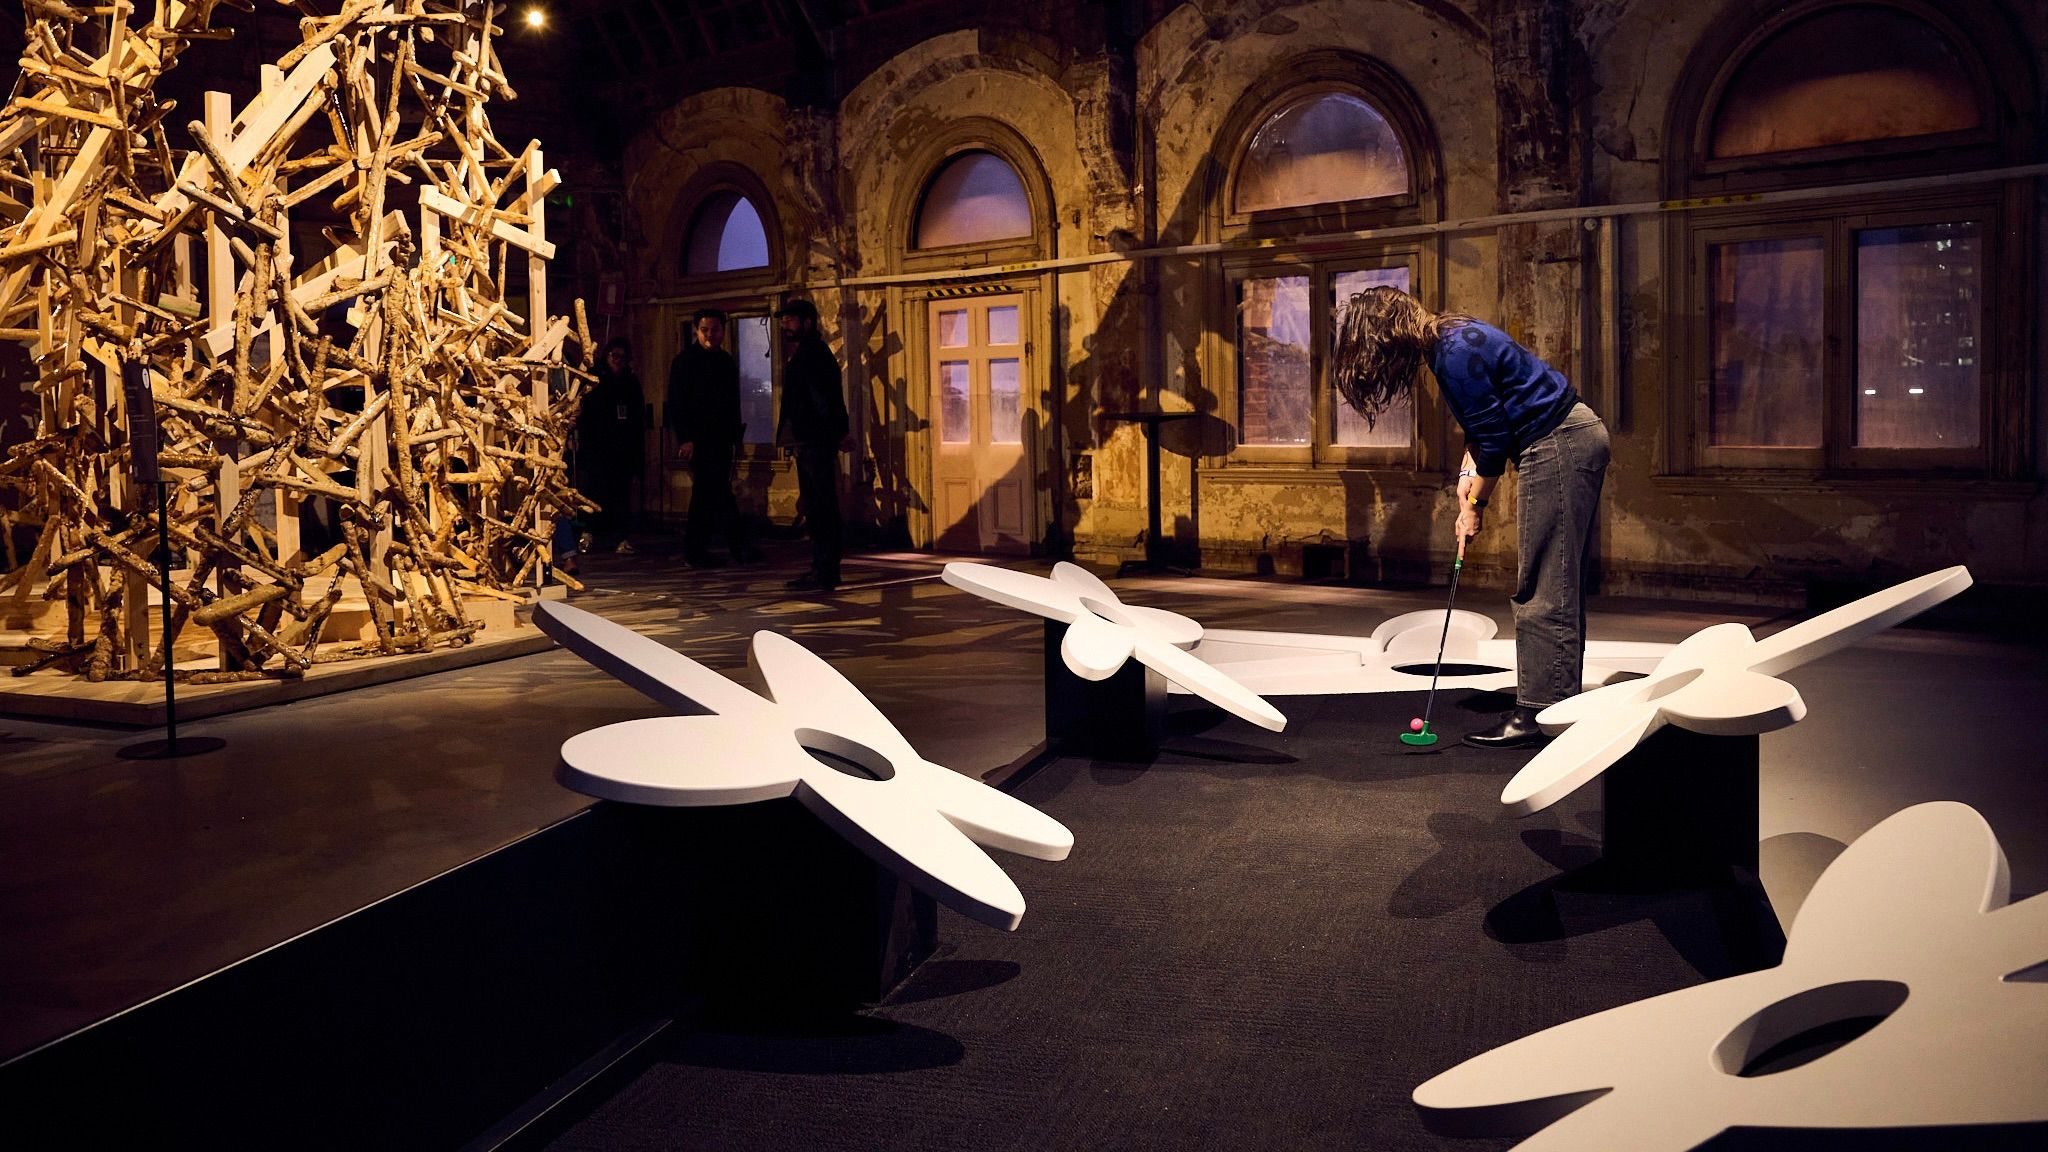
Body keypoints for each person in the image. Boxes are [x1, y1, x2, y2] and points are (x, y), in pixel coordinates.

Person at [1333, 286, 1610, 748]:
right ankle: (1556, 702)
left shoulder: (1453, 352)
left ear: (1385, 336)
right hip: (1564, 438)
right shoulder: (1451, 340)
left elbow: (1495, 436)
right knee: (1554, 581)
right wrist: (1467, 478)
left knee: (1544, 586)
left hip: (1559, 441)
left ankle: (1541, 715)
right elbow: (1484, 427)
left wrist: (1476, 508)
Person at [667, 309, 757, 567]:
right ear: (696, 330)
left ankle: (702, 551)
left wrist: (735, 437)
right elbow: (676, 403)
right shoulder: (684, 361)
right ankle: (729, 548)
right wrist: (685, 438)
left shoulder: (726, 361)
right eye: (705, 330)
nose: (710, 335)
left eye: (715, 330)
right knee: (713, 492)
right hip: (698, 440)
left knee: (711, 493)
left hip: (721, 440)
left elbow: (732, 402)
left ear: (722, 331)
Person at [774, 299, 849, 592]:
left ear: (807, 322)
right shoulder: (807, 353)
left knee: (821, 506)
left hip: (815, 442)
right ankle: (822, 567)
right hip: (810, 441)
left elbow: (822, 400)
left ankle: (826, 569)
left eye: (790, 320)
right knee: (817, 505)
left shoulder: (812, 354)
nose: (785, 325)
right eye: (784, 321)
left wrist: (834, 434)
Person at [578, 338, 645, 554]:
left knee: (621, 495)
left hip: (622, 448)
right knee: (593, 492)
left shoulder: (630, 383)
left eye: (622, 357)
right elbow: (584, 412)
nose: (618, 361)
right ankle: (588, 533)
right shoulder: (595, 380)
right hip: (597, 447)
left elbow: (637, 418)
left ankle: (621, 538)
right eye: (614, 356)